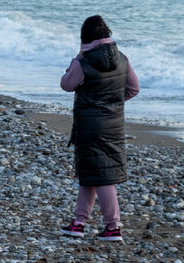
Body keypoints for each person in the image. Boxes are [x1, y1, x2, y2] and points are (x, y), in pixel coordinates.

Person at [59, 15, 140, 242]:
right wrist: (112, 103)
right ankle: (78, 222)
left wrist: (76, 59)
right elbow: (134, 89)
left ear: (85, 37)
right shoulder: (123, 58)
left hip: (90, 126)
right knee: (92, 174)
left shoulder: (84, 62)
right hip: (113, 124)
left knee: (102, 176)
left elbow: (66, 84)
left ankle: (113, 226)